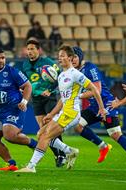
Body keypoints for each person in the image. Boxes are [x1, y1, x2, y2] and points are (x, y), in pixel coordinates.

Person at [16, 45, 107, 173]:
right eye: (59, 56)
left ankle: (31, 167)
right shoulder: (61, 75)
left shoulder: (76, 74)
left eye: (62, 56)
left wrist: (102, 109)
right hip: (64, 112)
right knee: (40, 133)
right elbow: (62, 100)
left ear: (70, 58)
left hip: (72, 113)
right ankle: (70, 151)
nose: (60, 59)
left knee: (45, 137)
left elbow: (95, 90)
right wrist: (51, 114)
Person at [71, 46, 126, 174]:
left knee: (116, 135)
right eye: (70, 58)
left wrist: (78, 96)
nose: (73, 60)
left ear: (80, 57)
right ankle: (103, 146)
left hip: (106, 104)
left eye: (75, 57)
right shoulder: (74, 71)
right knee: (77, 125)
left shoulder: (90, 68)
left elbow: (97, 90)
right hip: (94, 106)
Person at [22, 39, 66, 167]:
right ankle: (59, 153)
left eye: (32, 49)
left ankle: (61, 155)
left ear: (38, 50)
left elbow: (60, 77)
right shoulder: (25, 65)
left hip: (49, 98)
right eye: (28, 49)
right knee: (42, 129)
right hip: (36, 99)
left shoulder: (47, 62)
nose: (30, 51)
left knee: (50, 126)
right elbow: (25, 82)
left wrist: (50, 89)